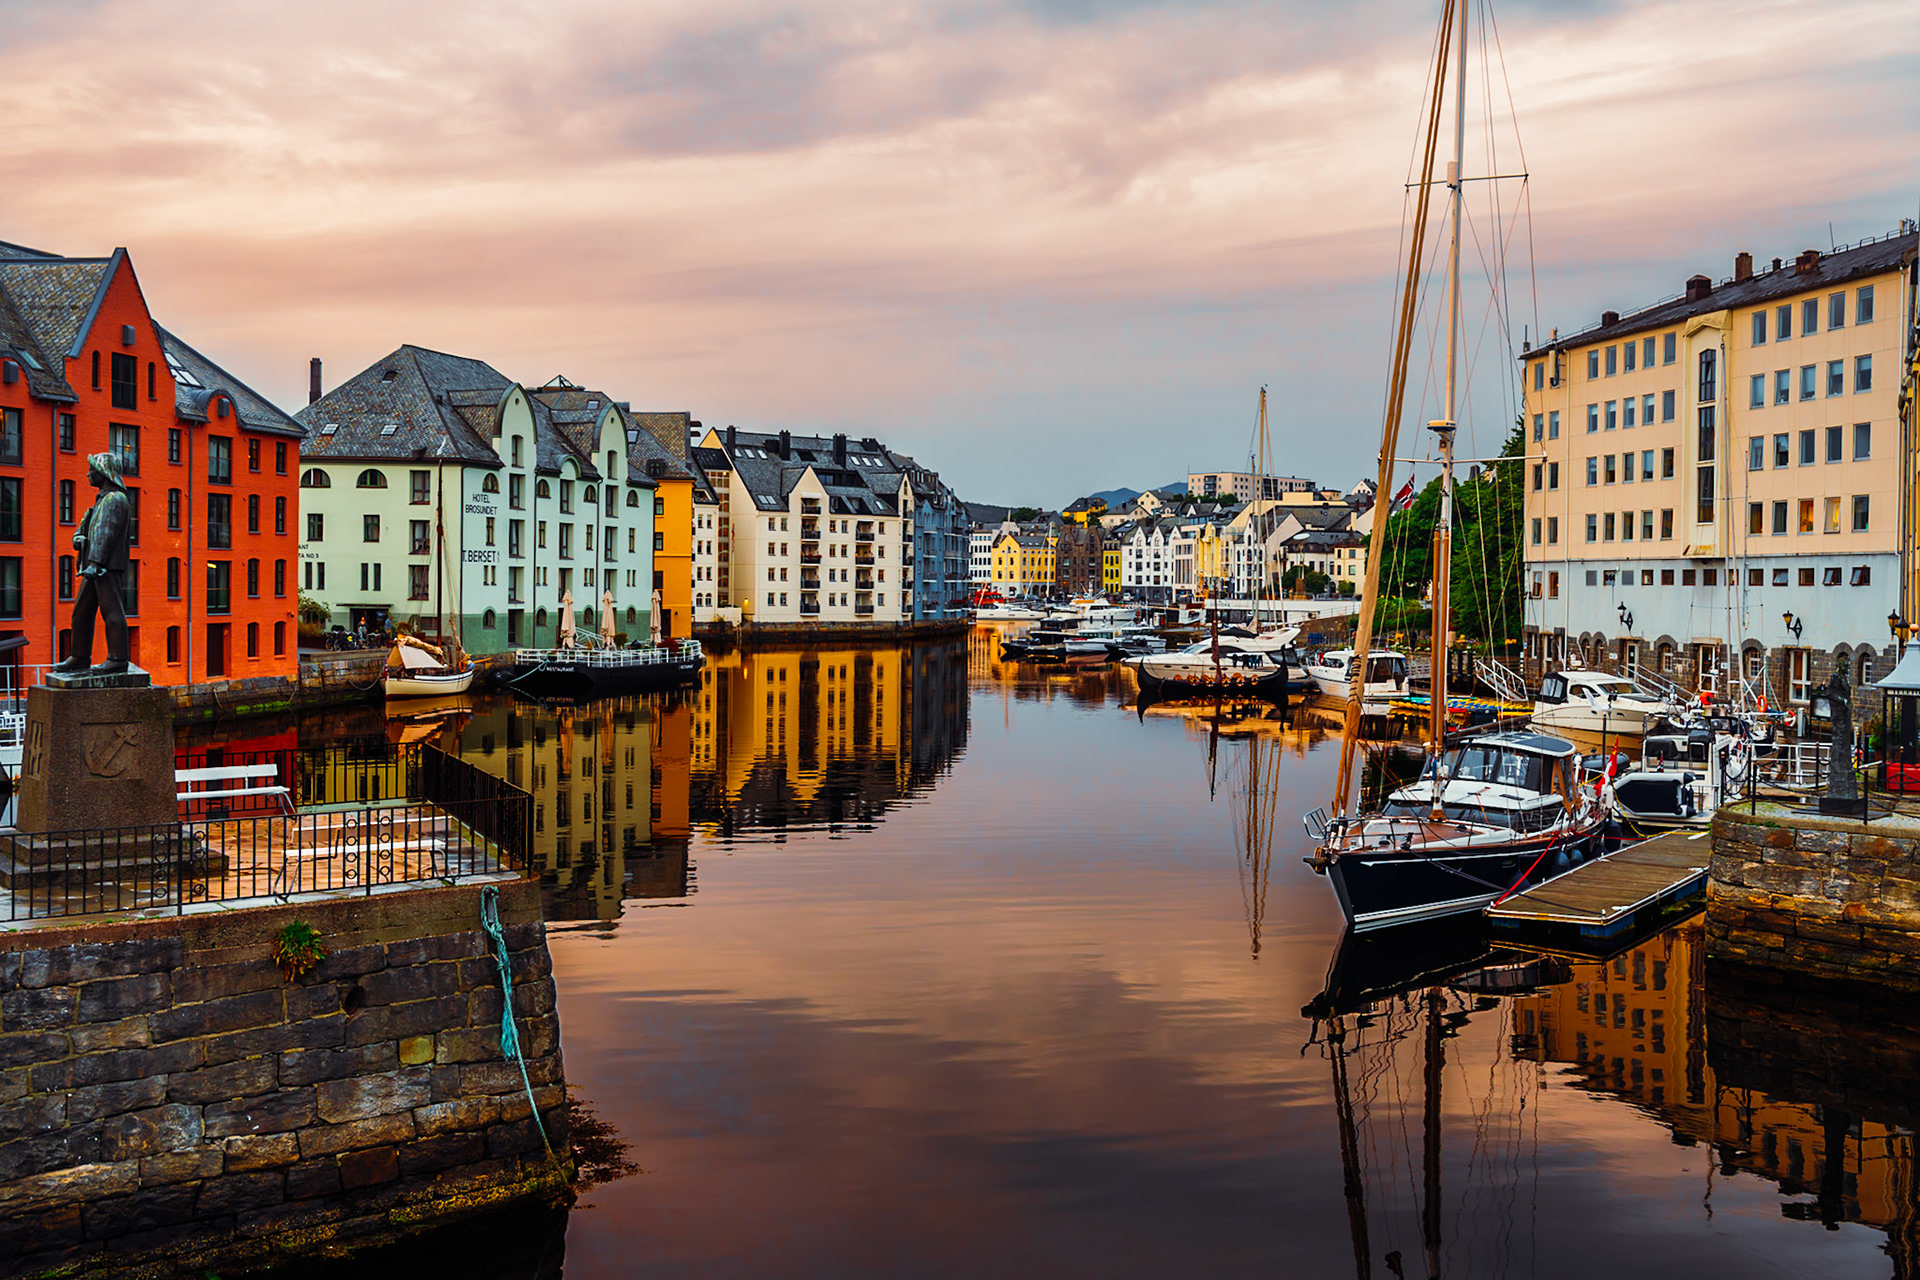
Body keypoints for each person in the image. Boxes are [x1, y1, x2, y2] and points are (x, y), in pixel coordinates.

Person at [50, 453, 133, 677]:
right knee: (81, 613)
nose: (88, 474)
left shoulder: (115, 500)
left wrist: (96, 563)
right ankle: (79, 657)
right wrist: (78, 538)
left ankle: (118, 659)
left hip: (104, 566)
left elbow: (106, 534)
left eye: (92, 470)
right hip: (92, 566)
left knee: (112, 611)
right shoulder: (100, 502)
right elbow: (87, 530)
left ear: (103, 473)